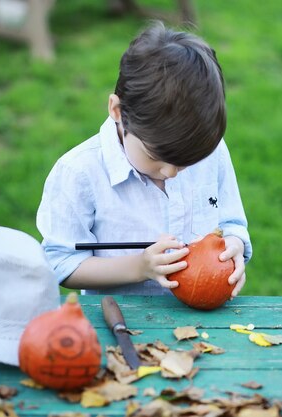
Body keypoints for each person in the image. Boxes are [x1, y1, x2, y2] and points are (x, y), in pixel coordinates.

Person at [36, 21, 252, 296]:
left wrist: (234, 244)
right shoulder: (79, 173)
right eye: (156, 156)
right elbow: (60, 263)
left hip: (206, 324)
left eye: (187, 161)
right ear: (117, 111)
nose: (172, 172)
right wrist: (138, 267)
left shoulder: (211, 151)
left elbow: (232, 223)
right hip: (123, 325)